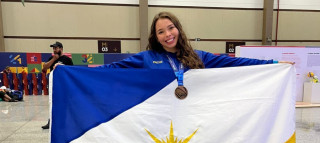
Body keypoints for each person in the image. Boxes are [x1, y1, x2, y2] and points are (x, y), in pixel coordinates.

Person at [99, 12, 293, 70]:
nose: (167, 34)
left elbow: (237, 62)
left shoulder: (199, 57)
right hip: (158, 119)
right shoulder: (146, 58)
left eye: (171, 28)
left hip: (191, 119)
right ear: (155, 37)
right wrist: (70, 72)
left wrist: (274, 64)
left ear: (178, 30)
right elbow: (111, 70)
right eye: (160, 31)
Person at [42, 41, 73, 129]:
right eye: (53, 48)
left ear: (61, 49)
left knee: (65, 104)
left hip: (64, 85)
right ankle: (50, 122)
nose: (54, 50)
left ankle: (67, 121)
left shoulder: (67, 59)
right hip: (54, 85)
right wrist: (53, 60)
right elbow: (44, 68)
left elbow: (71, 72)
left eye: (56, 48)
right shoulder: (51, 58)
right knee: (53, 104)